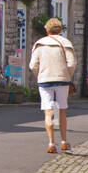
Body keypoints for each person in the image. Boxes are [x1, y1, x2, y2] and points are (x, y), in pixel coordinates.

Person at [29, 17, 77, 153]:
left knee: (48, 111)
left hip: (44, 80)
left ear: (46, 29)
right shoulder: (66, 43)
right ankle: (63, 141)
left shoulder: (39, 44)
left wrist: (40, 74)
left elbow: (33, 65)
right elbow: (72, 63)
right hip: (62, 80)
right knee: (61, 110)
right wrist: (67, 74)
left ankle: (51, 143)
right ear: (60, 29)